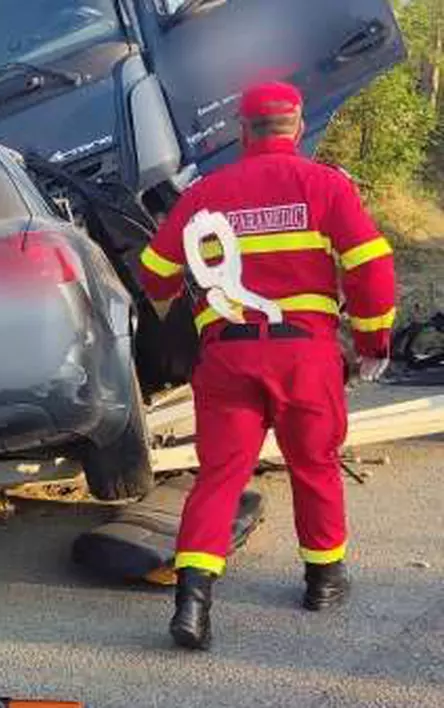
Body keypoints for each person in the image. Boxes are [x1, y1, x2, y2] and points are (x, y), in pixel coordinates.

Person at [138, 81, 397, 650]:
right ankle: (323, 581)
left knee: (220, 477)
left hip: (229, 357)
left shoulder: (206, 193)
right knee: (315, 464)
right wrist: (374, 342)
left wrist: (192, 305)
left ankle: (193, 600)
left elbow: (154, 271)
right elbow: (371, 268)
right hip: (305, 357)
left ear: (240, 130)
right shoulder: (325, 185)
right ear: (298, 127)